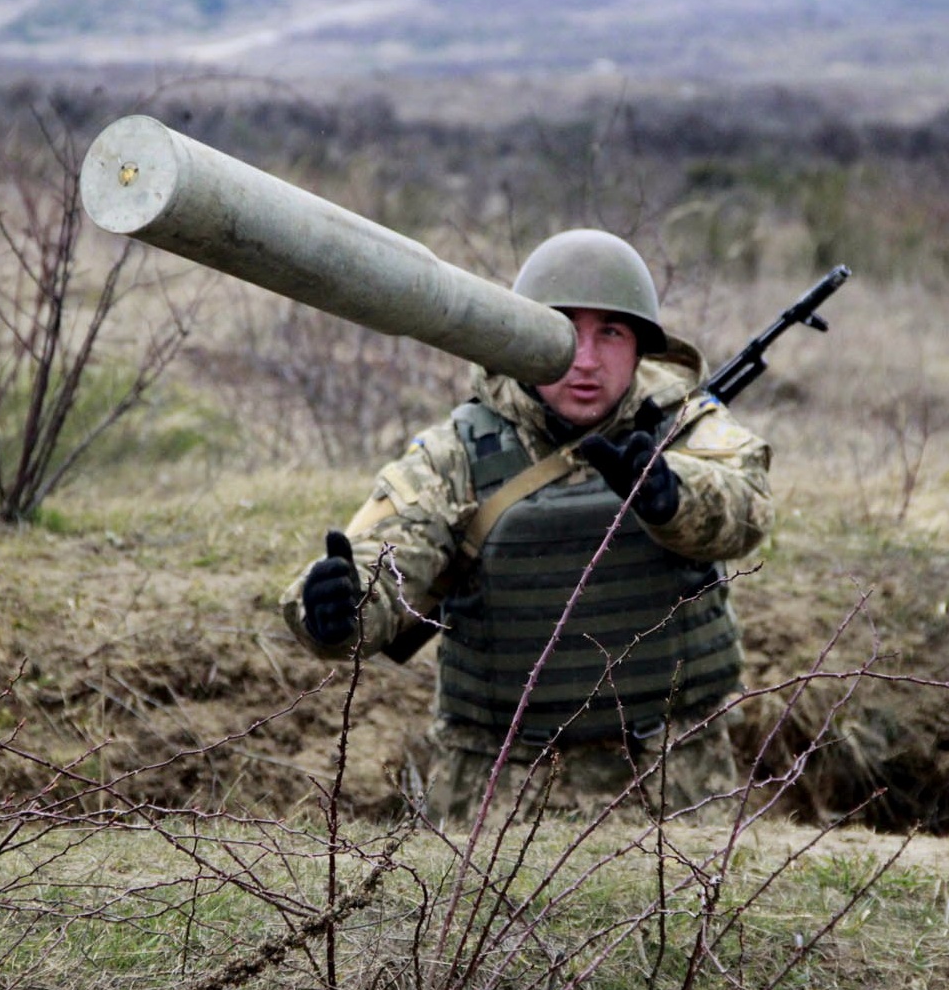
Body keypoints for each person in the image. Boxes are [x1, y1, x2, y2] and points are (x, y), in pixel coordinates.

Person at [280, 228, 773, 825]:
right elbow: (392, 552)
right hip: (496, 787)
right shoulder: (456, 453)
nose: (584, 360)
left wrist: (672, 497)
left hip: (676, 779)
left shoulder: (688, 429)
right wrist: (341, 606)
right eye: (561, 334)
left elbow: (745, 504)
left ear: (641, 347)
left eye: (609, 333)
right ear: (517, 338)